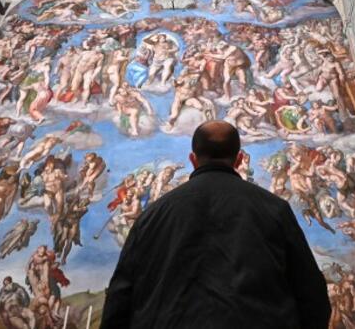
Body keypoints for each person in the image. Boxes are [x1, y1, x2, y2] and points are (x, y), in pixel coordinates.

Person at [101, 121, 330, 329]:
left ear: (193, 159)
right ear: (239, 159)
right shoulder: (274, 209)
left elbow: (121, 298)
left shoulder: (152, 214)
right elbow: (312, 295)